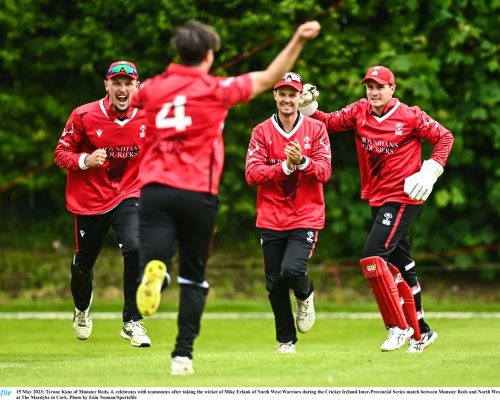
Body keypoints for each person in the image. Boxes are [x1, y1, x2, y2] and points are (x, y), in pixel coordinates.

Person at [130, 19, 321, 375]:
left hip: (155, 190)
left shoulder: (153, 89)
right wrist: (297, 39)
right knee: (194, 277)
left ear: (178, 52)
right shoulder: (216, 89)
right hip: (197, 194)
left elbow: (126, 99)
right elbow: (269, 76)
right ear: (208, 55)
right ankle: (182, 355)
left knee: (155, 256)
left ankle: (156, 273)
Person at [300, 65, 454, 352]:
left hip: (404, 196)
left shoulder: (410, 115)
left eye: (380, 87)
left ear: (392, 89)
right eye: (370, 87)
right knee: (400, 264)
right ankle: (422, 332)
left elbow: (445, 137)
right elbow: (328, 122)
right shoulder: (360, 111)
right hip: (378, 197)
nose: (373, 92)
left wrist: (431, 169)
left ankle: (398, 326)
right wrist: (307, 106)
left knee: (373, 256)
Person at [54, 60, 151, 347]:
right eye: (116, 83)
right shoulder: (83, 115)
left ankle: (132, 320)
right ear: (106, 85)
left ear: (137, 86)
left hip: (128, 195)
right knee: (83, 265)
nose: (122, 89)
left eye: (128, 83)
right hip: (89, 201)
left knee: (135, 247)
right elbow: (61, 153)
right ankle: (82, 309)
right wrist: (85, 160)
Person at [245, 72, 331, 353]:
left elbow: (324, 172)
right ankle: (286, 340)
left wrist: (302, 161)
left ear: (299, 98)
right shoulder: (261, 131)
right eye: (282, 94)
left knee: (291, 269)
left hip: (305, 214)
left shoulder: (316, 129)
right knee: (274, 283)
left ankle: (305, 295)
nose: (286, 99)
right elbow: (251, 174)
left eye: (292, 94)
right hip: (270, 216)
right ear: (275, 96)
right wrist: (284, 167)